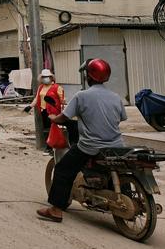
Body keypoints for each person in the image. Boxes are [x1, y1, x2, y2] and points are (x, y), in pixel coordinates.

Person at [37, 58, 127, 223]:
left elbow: (64, 117)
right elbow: (121, 118)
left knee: (63, 169)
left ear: (89, 76)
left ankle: (56, 210)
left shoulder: (82, 96)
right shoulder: (115, 97)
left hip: (91, 146)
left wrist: (53, 118)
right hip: (116, 145)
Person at [24, 69, 65, 155]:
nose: (46, 78)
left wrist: (63, 110)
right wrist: (30, 106)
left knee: (53, 129)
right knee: (46, 129)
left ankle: (51, 147)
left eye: (47, 77)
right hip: (44, 111)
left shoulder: (57, 87)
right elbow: (37, 98)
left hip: (54, 112)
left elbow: (62, 100)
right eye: (44, 77)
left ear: (51, 77)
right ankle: (49, 146)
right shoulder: (41, 87)